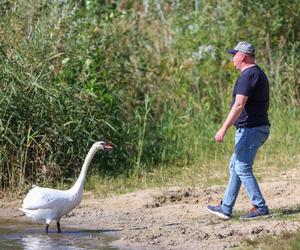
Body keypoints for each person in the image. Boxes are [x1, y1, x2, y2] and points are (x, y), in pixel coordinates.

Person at [207, 41, 270, 220]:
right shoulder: (257, 73)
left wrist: (223, 128)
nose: (233, 58)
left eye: (234, 55)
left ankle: (260, 207)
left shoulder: (248, 75)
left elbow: (239, 105)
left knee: (242, 167)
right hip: (255, 128)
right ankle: (226, 207)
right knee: (235, 166)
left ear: (242, 56)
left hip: (251, 129)